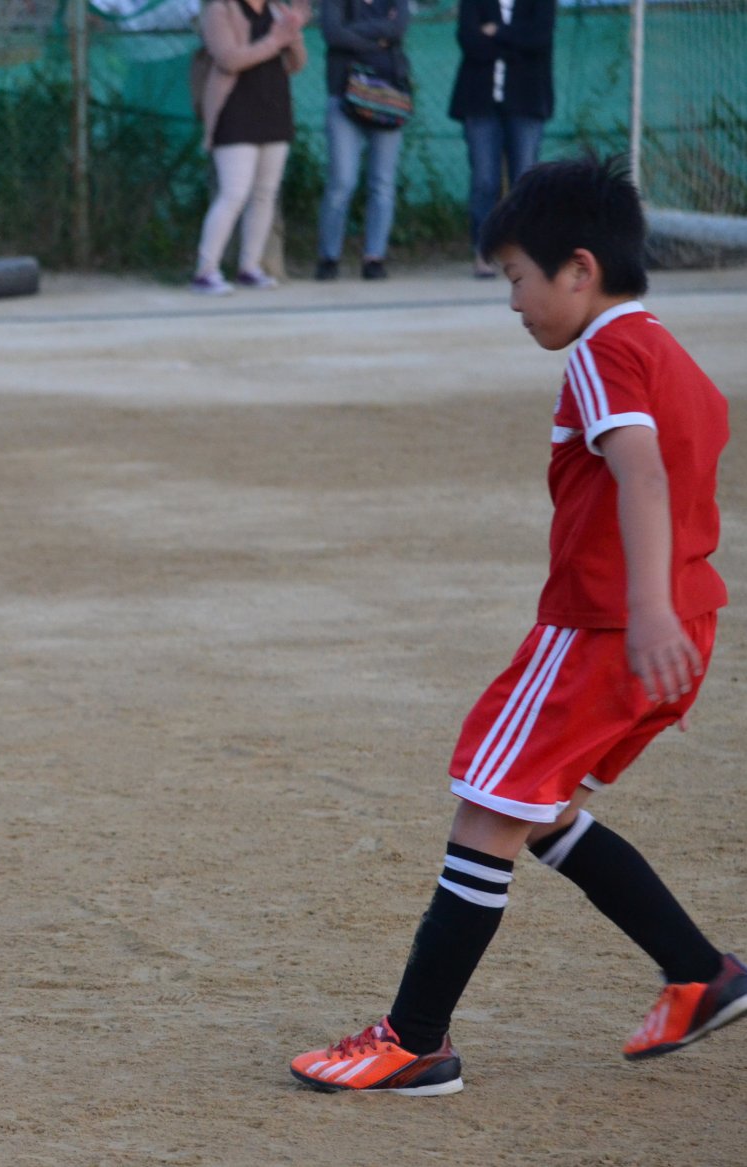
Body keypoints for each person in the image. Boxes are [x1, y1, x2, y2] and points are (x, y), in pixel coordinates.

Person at [290, 156, 745, 1095]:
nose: (512, 302)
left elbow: (643, 474)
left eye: (515, 278)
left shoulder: (605, 350)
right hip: (672, 622)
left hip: (606, 628)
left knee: (488, 804)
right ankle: (701, 972)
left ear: (578, 269)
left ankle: (415, 1039)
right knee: (537, 808)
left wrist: (645, 605)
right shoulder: (670, 352)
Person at [190, 0, 310, 295]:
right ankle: (205, 271)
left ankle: (250, 268)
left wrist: (293, 34)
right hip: (235, 110)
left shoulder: (277, 10)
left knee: (265, 194)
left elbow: (297, 64)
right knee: (233, 193)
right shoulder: (220, 10)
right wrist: (274, 41)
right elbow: (228, 59)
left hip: (274, 109)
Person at [448, 0, 556, 278]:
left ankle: (524, 251)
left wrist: (496, 31)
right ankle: (484, 251)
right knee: (485, 180)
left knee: (525, 179)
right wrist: (517, 39)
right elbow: (470, 41)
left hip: (527, 100)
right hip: (480, 102)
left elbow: (540, 39)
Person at [316, 0, 410, 281]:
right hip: (344, 95)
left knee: (382, 183)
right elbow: (333, 33)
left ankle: (374, 257)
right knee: (342, 181)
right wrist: (376, 41)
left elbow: (398, 28)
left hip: (388, 96)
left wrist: (355, 33)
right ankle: (329, 257)